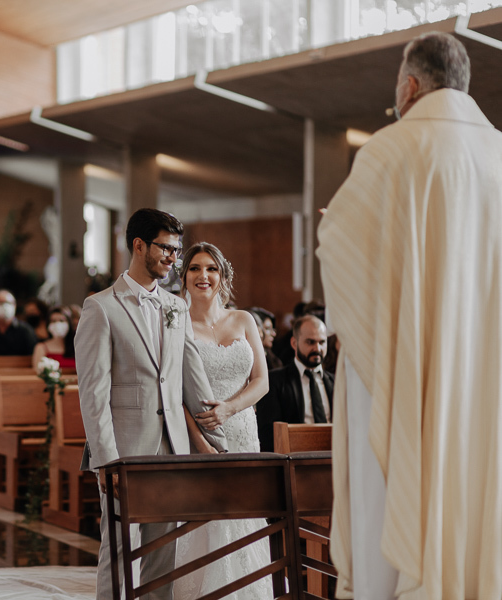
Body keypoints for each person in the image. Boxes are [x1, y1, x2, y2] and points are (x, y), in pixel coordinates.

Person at [317, 31, 502, 599]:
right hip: (486, 371)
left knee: (393, 483)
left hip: (403, 363)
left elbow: (341, 248)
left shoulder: (391, 149)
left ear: (410, 85)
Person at [75, 208, 226, 600]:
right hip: (123, 450)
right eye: (166, 249)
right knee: (119, 549)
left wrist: (218, 437)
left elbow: (191, 379)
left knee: (164, 552)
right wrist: (107, 461)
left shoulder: (177, 308)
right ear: (139, 245)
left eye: (177, 251)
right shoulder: (101, 308)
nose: (173, 259)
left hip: (171, 447)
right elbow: (93, 394)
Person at [173, 242, 270, 599]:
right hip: (200, 436)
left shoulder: (243, 320)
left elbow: (262, 380)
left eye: (211, 268)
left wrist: (229, 408)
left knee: (244, 519)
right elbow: (170, 391)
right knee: (206, 523)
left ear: (222, 276)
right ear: (184, 277)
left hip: (244, 432)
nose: (204, 275)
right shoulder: (175, 321)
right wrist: (199, 440)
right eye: (195, 268)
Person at [255, 315, 333, 452]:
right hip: (293, 459)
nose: (317, 348)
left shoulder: (336, 382)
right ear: (294, 343)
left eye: (322, 342)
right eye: (310, 342)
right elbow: (267, 433)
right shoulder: (274, 381)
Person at [0, 290, 36, 356]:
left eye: (7, 303)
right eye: (0, 303)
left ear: (14, 305)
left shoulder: (26, 331)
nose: (4, 306)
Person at [31, 306, 75, 370]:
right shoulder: (41, 347)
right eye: (53, 321)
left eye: (61, 320)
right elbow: (37, 373)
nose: (58, 324)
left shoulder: (76, 347)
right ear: (48, 325)